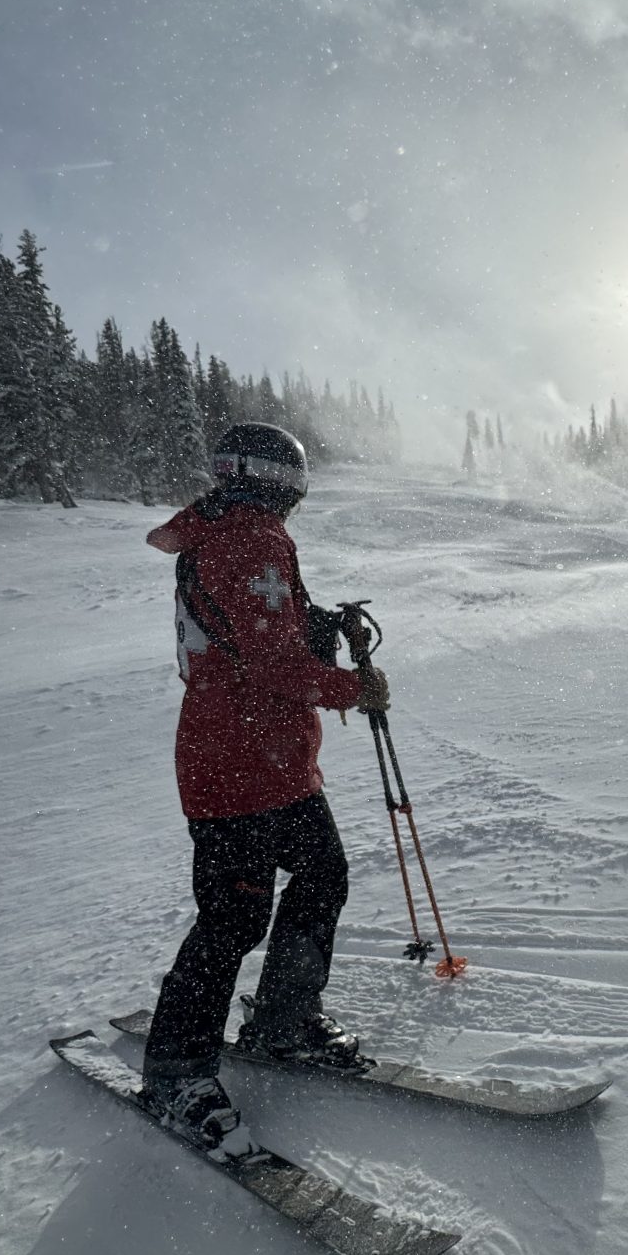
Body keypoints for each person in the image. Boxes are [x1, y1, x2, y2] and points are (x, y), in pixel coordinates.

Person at [138, 421, 391, 1158]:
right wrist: (354, 688)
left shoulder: (229, 532)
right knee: (232, 920)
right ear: (273, 478)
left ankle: (282, 1020)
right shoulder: (247, 537)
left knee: (321, 872)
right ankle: (176, 1071)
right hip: (235, 765)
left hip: (269, 760)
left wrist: (319, 621)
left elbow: (258, 628)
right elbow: (272, 659)